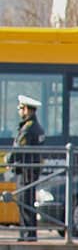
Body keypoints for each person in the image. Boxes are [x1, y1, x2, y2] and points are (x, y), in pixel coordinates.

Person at [9, 94, 43, 242]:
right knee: (27, 202)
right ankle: (28, 234)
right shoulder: (36, 127)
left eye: (20, 108)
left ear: (27, 110)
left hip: (26, 171)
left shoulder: (29, 128)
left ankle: (28, 235)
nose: (19, 111)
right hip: (31, 169)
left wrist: (7, 159)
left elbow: (18, 148)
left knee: (25, 202)